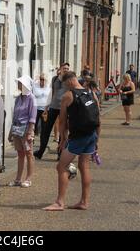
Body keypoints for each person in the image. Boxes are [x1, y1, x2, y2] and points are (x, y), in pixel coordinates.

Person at [43, 71, 101, 211]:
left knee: (61, 167)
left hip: (78, 137)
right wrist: (97, 139)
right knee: (84, 167)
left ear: (69, 81)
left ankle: (59, 202)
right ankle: (84, 202)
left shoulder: (68, 96)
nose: (64, 87)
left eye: (64, 84)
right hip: (91, 135)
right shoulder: (91, 93)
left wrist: (62, 140)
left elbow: (62, 121)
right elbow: (98, 118)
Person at [34, 63, 70, 160]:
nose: (66, 70)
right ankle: (40, 151)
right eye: (64, 68)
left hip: (64, 108)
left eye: (67, 68)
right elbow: (51, 93)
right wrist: (46, 107)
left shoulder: (70, 80)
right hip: (53, 107)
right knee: (45, 130)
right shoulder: (55, 79)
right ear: (60, 69)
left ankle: (60, 153)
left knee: (62, 131)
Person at [8, 75, 37, 188]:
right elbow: (15, 115)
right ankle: (18, 179)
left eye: (20, 83)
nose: (18, 85)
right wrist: (11, 132)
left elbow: (32, 117)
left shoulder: (32, 98)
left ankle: (28, 178)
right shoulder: (18, 98)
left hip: (26, 129)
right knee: (20, 154)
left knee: (29, 154)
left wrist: (30, 132)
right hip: (17, 129)